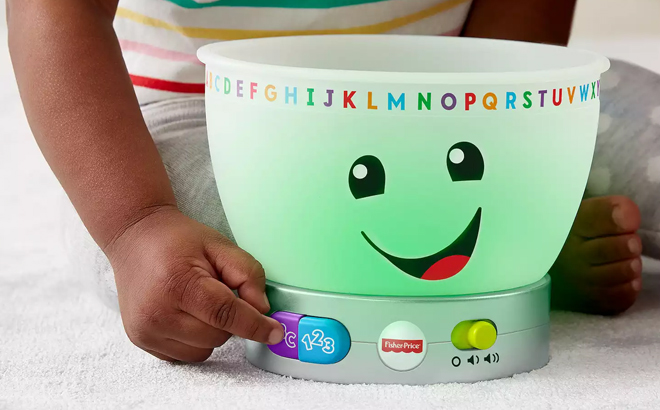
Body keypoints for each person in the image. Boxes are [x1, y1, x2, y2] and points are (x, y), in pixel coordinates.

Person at [7, 0, 650, 363]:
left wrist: (519, 170)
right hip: (211, 113)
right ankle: (510, 266)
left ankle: (508, 251)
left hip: (471, 92)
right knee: (184, 259)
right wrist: (135, 220)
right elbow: (52, 12)